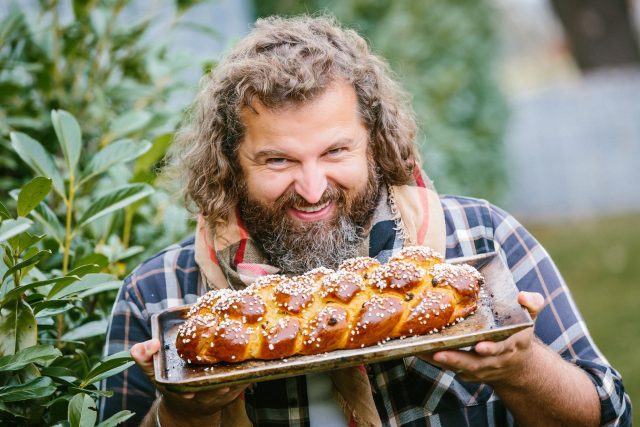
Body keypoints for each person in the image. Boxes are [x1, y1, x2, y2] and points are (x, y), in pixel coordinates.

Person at [99, 15, 632, 427]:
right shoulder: (159, 295)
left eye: (335, 151)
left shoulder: (482, 239)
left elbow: (609, 416)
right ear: (230, 164)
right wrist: (185, 414)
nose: (311, 189)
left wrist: (520, 368)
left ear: (374, 145)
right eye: (278, 160)